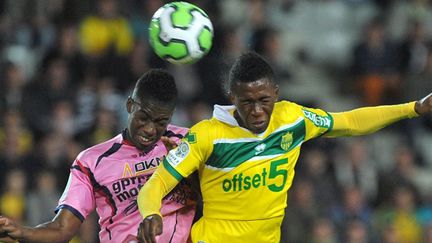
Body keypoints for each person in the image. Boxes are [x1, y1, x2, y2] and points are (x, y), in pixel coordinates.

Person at [136, 52, 432, 243]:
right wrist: (151, 213)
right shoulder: (206, 136)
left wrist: (413, 108)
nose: (256, 111)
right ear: (232, 96)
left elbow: (350, 121)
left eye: (264, 100)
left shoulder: (292, 118)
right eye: (246, 101)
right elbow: (157, 183)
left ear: (276, 93)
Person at [0, 69, 197, 243]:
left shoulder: (188, 142)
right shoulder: (92, 161)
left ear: (170, 118)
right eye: (143, 117)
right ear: (129, 105)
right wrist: (22, 232)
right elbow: (62, 229)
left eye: (161, 122)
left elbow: (216, 195)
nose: (150, 129)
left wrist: (188, 170)